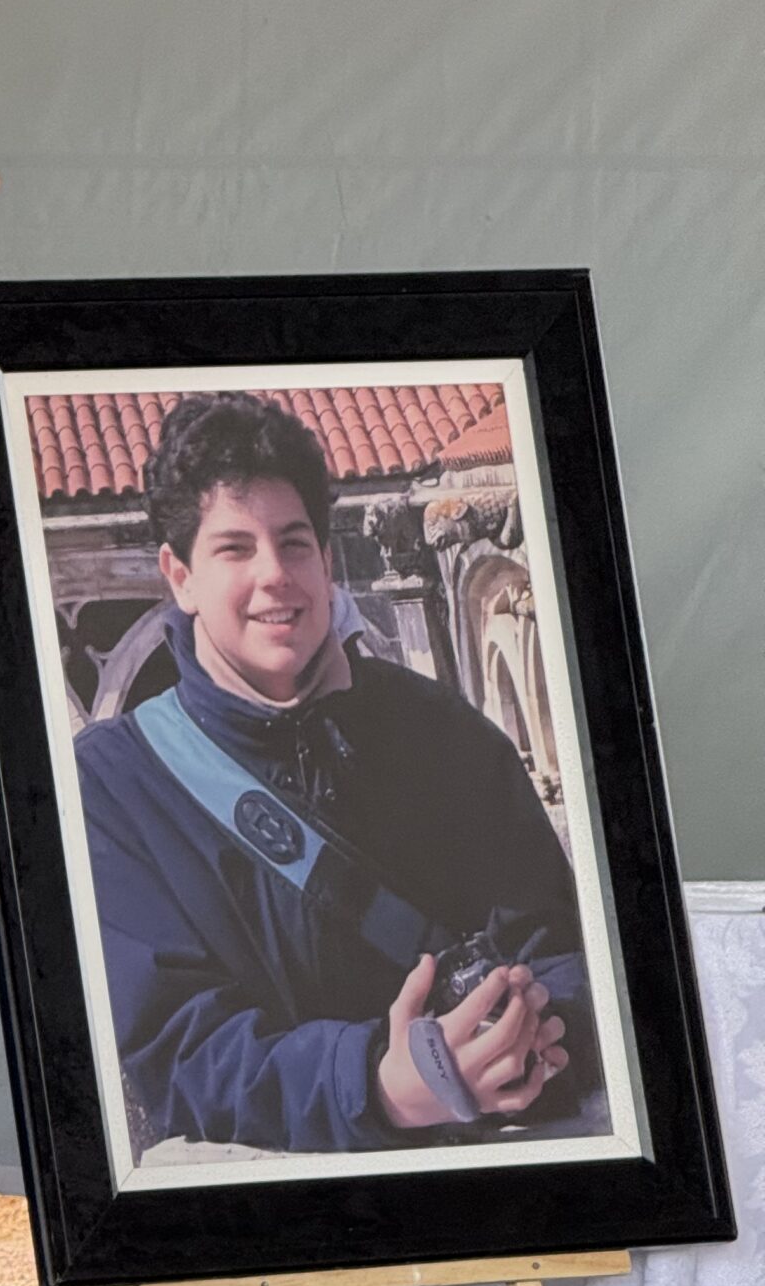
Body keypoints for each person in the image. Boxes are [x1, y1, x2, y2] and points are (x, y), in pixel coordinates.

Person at [73, 393, 596, 1160]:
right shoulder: (111, 787)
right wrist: (379, 1086)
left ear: (325, 559)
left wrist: (542, 1037)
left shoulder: (440, 728)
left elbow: (561, 944)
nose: (274, 576)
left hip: (510, 1152)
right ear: (179, 576)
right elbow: (181, 1054)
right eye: (234, 549)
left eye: (294, 544)